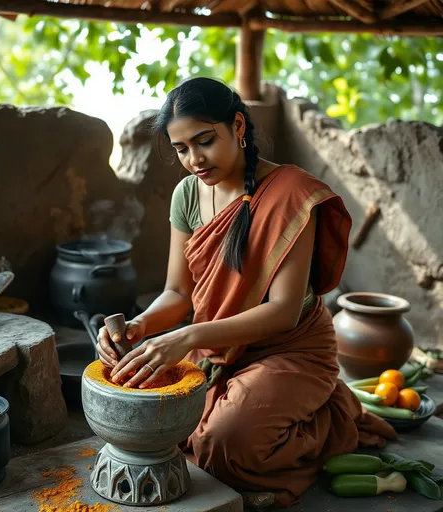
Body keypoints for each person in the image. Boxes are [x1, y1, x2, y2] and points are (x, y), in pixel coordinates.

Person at [97, 77, 397, 508]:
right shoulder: (187, 195)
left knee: (223, 446)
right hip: (219, 345)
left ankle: (334, 420)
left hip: (291, 348)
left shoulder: (291, 194)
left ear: (238, 126)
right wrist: (140, 325)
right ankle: (272, 405)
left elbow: (283, 312)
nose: (194, 159)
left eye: (205, 141)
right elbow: (178, 293)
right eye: (181, 149)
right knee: (159, 423)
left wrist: (186, 337)